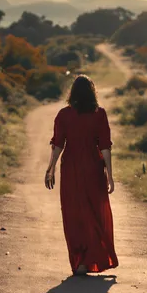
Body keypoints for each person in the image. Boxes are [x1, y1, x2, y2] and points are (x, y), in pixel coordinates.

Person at [45, 74, 119, 276]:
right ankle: (89, 258)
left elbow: (58, 144)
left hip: (71, 170)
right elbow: (105, 147)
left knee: (73, 214)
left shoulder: (64, 115)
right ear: (92, 93)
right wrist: (110, 175)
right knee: (93, 214)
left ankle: (81, 261)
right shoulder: (99, 114)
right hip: (93, 169)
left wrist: (50, 168)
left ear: (73, 94)